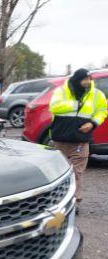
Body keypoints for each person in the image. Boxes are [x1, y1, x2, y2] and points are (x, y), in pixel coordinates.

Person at [49, 68, 107, 207]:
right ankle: (57, 200)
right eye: (84, 79)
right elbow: (54, 107)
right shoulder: (62, 91)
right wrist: (77, 103)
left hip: (80, 140)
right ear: (76, 79)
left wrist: (92, 123)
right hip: (60, 139)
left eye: (89, 79)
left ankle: (75, 202)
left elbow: (102, 112)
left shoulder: (97, 95)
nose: (87, 82)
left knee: (77, 172)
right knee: (59, 172)